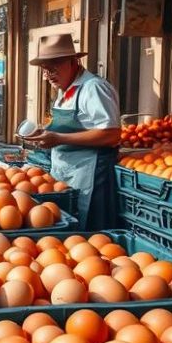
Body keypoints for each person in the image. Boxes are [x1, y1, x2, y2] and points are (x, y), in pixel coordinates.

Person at [22, 33, 121, 231]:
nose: (48, 74)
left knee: (90, 231)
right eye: (45, 69)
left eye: (53, 67)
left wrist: (59, 138)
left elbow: (112, 134)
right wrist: (46, 134)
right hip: (67, 176)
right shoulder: (65, 91)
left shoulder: (93, 88)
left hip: (90, 177)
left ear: (74, 62)